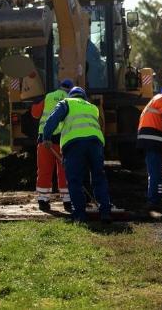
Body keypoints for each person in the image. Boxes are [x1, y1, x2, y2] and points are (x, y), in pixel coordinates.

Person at [42, 86, 112, 223]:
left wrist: (46, 137)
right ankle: (105, 212)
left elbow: (52, 119)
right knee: (99, 177)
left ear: (71, 95)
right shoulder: (92, 107)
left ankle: (80, 215)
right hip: (95, 143)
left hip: (74, 144)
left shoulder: (66, 102)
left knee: (74, 179)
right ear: (84, 97)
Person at [31, 78, 73, 212]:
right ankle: (67, 201)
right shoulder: (71, 100)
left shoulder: (48, 96)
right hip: (62, 141)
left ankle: (43, 200)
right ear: (70, 89)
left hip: (44, 140)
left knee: (44, 170)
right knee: (64, 171)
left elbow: (35, 114)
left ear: (60, 87)